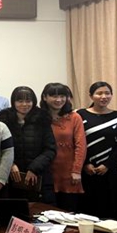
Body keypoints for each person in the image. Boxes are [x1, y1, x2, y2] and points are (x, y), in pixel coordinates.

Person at [77, 81, 117, 220]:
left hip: (110, 169)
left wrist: (107, 164)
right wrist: (85, 163)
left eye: (107, 93)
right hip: (86, 170)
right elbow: (77, 142)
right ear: (91, 96)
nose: (103, 96)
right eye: (99, 93)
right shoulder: (80, 115)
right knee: (86, 211)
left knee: (110, 209)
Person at [0, 86, 56, 205]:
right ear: (13, 102)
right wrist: (11, 164)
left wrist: (34, 168)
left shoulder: (42, 118)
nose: (24, 104)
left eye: (28, 101)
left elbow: (50, 149)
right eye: (20, 101)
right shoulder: (4, 119)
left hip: (38, 176)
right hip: (11, 176)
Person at [40, 83, 86, 212]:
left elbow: (81, 145)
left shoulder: (75, 117)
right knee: (46, 212)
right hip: (46, 171)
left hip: (68, 172)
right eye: (54, 96)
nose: (58, 100)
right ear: (44, 97)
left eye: (62, 96)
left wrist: (76, 170)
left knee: (68, 212)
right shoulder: (39, 117)